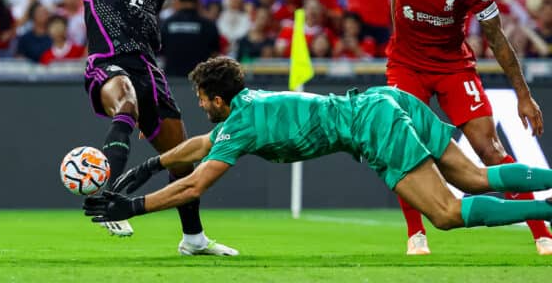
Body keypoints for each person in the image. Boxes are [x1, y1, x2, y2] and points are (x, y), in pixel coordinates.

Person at [0, 0, 237, 256]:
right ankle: (109, 197)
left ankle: (194, 239)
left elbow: (147, 31)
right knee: (124, 101)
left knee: (182, 161)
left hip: (148, 71)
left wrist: (148, 104)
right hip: (107, 61)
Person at [83, 57, 552, 251]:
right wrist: (150, 164)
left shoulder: (240, 125)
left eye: (202, 98)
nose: (200, 105)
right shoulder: (245, 106)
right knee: (472, 178)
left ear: (217, 100)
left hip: (373, 125)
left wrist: (134, 206)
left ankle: (548, 209)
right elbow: (201, 146)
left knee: (447, 213)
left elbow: (195, 183)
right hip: (382, 100)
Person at [384, 0, 551, 255]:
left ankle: (542, 233)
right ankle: (416, 235)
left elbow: (496, 37)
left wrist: (523, 94)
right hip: (406, 66)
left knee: (490, 150)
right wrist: (398, 43)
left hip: (452, 68)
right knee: (400, 142)